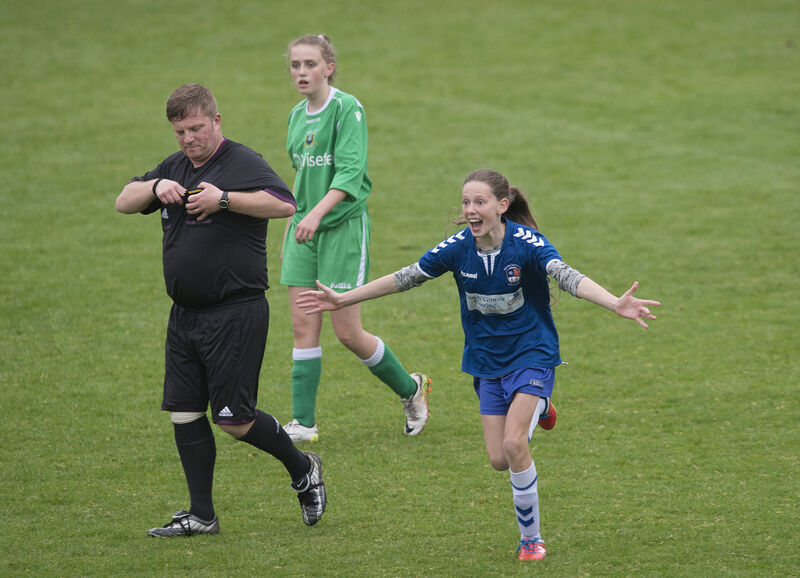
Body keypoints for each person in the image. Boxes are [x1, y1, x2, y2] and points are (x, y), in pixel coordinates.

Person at [296, 169, 660, 561]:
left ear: (502, 207)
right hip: (486, 362)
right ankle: (541, 407)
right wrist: (344, 299)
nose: (471, 210)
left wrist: (614, 303)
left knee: (514, 443)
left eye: (480, 202)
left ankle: (531, 540)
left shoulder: (527, 244)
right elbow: (406, 277)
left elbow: (567, 277)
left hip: (532, 353)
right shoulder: (457, 248)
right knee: (499, 459)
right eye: (467, 202)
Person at [115, 83, 327, 537]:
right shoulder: (173, 168)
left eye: (195, 128)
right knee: (185, 412)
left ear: (216, 121)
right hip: (185, 316)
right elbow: (123, 201)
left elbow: (285, 203)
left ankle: (304, 468)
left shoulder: (241, 162)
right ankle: (201, 515)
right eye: (179, 131)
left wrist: (223, 199)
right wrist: (155, 185)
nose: (189, 139)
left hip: (235, 311)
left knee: (236, 420)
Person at [280, 34, 431, 442]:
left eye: (310, 64)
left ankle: (411, 389)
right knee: (302, 326)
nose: (301, 72)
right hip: (302, 230)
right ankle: (303, 423)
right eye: (295, 65)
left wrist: (316, 213)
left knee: (346, 332)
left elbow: (349, 174)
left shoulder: (348, 109)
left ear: (329, 67)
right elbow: (302, 171)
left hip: (341, 228)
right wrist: (298, 215)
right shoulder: (296, 115)